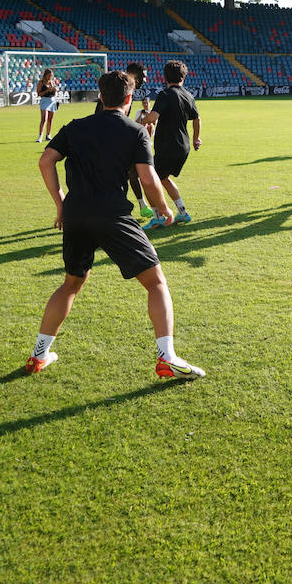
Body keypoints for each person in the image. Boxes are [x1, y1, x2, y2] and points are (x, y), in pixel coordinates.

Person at [25, 70, 205, 378]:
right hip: (112, 215)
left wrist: (61, 204)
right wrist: (164, 210)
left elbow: (45, 161)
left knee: (71, 283)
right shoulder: (135, 131)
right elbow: (148, 179)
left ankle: (39, 355)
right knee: (156, 283)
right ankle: (167, 357)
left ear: (100, 96)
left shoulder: (75, 127)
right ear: (129, 98)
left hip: (76, 214)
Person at [141, 60, 199, 229]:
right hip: (183, 146)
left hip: (168, 146)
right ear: (184, 77)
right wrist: (196, 138)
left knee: (147, 180)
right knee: (163, 178)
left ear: (165, 77)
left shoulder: (165, 94)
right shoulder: (188, 95)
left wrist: (139, 123)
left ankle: (158, 216)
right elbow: (197, 118)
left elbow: (152, 117)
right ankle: (182, 212)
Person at [95, 62, 157, 219]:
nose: (145, 78)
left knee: (130, 171)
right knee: (124, 172)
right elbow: (106, 112)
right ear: (134, 73)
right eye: (143, 75)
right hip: (108, 135)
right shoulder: (119, 85)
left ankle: (138, 206)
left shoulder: (127, 87)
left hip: (116, 134)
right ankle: (121, 208)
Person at [35, 68, 59, 142]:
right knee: (43, 119)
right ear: (45, 75)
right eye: (49, 75)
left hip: (52, 101)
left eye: (51, 76)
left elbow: (54, 93)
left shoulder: (52, 82)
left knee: (50, 119)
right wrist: (47, 90)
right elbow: (39, 94)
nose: (50, 77)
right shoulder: (41, 83)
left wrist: (55, 91)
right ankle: (40, 136)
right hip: (44, 101)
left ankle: (48, 135)